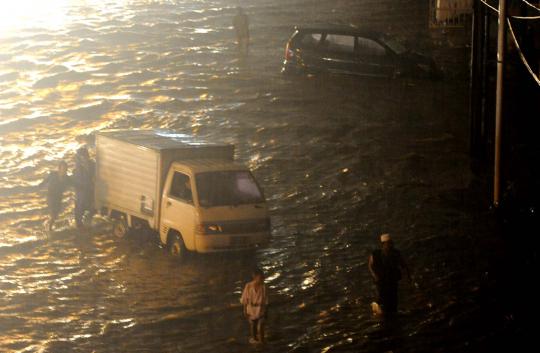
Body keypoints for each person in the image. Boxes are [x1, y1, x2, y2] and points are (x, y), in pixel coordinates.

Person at [368, 233, 411, 316]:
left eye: (391, 243)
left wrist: (408, 276)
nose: (391, 245)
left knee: (394, 298)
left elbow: (404, 265)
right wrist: (374, 275)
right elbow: (370, 265)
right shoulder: (376, 254)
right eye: (389, 243)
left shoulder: (396, 253)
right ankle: (378, 306)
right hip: (381, 279)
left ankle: (392, 313)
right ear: (383, 244)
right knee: (383, 295)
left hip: (393, 279)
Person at [40, 161, 70, 231]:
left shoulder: (66, 178)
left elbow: (73, 183)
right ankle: (49, 229)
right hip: (51, 197)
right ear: (59, 169)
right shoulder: (53, 174)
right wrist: (40, 186)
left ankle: (48, 224)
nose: (64, 170)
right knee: (53, 213)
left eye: (65, 169)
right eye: (63, 168)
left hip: (59, 198)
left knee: (56, 214)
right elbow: (45, 181)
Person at [241, 268, 268, 344]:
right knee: (253, 326)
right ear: (255, 277)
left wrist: (266, 311)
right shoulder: (248, 286)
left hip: (260, 309)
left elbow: (266, 300)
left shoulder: (263, 287)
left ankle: (262, 342)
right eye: (260, 277)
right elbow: (244, 299)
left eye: (262, 277)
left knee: (261, 327)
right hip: (251, 310)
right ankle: (255, 340)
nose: (262, 279)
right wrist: (244, 310)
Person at [72, 147, 95, 228]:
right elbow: (76, 181)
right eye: (81, 158)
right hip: (81, 192)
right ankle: (79, 225)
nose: (83, 159)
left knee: (92, 208)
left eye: (85, 157)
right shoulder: (78, 169)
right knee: (80, 209)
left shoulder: (92, 165)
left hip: (90, 190)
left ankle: (87, 222)